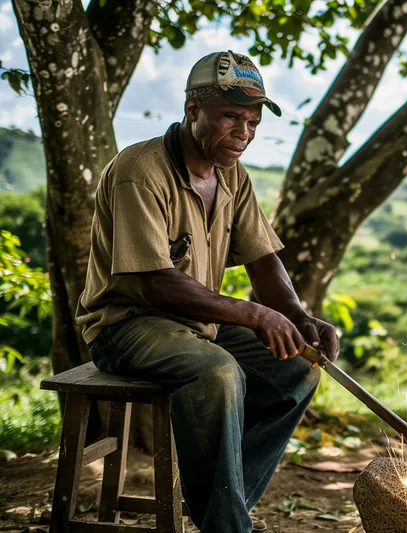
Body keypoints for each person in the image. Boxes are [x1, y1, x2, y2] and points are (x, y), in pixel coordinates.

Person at [75, 50, 339, 533]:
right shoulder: (142, 170)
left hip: (196, 326)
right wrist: (254, 316)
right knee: (219, 373)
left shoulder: (232, 174)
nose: (245, 131)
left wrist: (300, 318)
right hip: (125, 326)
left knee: (299, 367)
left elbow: (263, 259)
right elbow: (152, 282)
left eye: (253, 120)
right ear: (193, 110)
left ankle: (225, 508)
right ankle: (227, 525)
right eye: (231, 117)